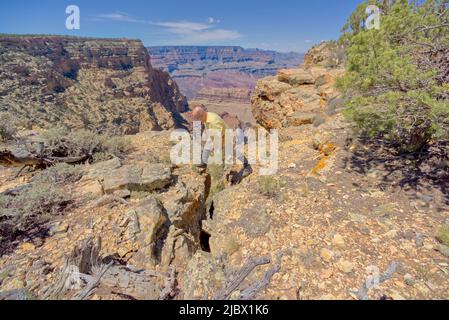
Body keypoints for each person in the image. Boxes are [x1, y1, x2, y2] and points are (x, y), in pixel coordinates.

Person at [191, 106, 252, 182]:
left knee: (234, 152)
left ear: (202, 116)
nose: (198, 122)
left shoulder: (213, 121)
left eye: (197, 119)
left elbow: (218, 137)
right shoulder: (207, 116)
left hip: (226, 138)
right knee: (207, 147)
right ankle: (203, 162)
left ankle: (247, 166)